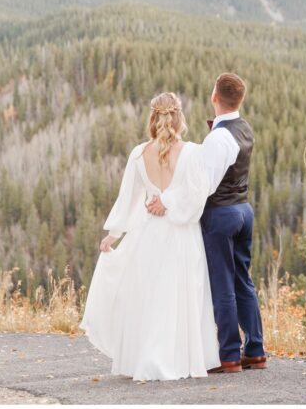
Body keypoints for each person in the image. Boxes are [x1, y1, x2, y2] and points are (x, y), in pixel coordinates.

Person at [78, 92, 219, 381]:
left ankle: (147, 358)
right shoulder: (192, 152)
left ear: (152, 118)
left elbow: (127, 199)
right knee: (176, 295)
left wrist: (114, 234)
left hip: (147, 233)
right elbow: (197, 199)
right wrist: (171, 203)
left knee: (150, 296)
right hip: (180, 233)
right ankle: (173, 359)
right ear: (179, 117)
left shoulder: (139, 153)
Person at [146, 73, 266, 373]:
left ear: (215, 97)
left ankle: (228, 354)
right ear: (240, 99)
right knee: (243, 280)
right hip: (243, 210)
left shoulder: (218, 138)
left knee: (223, 285)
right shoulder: (245, 129)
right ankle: (255, 349)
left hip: (221, 215)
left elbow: (203, 187)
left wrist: (168, 201)